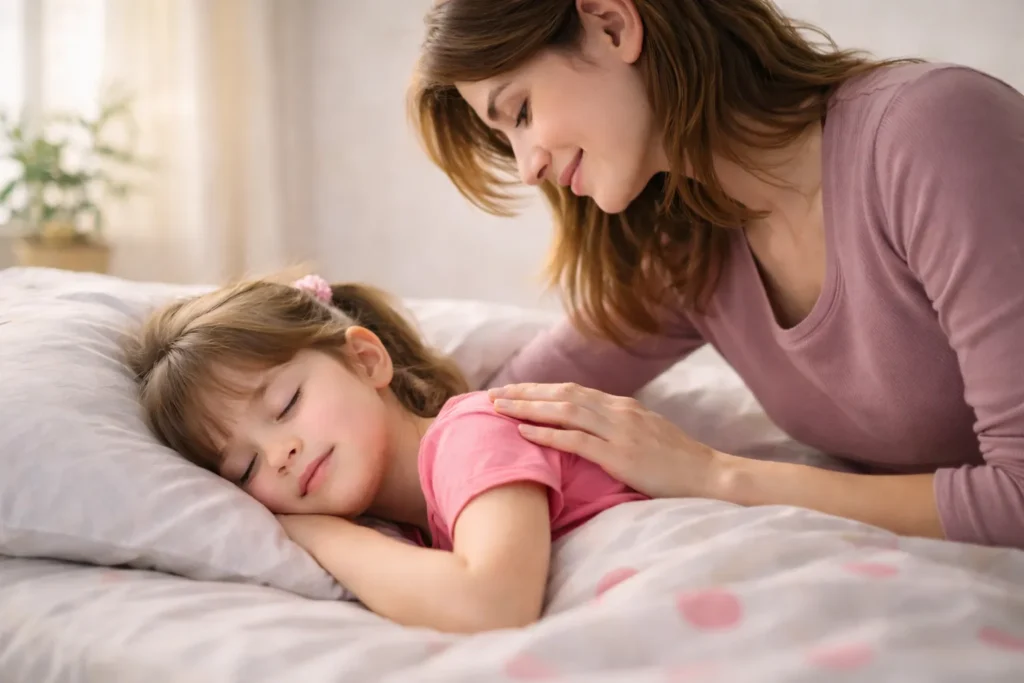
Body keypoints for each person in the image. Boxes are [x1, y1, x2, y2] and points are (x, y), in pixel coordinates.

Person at [410, 0, 1024, 549]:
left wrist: (715, 475)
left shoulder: (932, 132)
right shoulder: (693, 252)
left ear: (611, 25)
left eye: (520, 112)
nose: (527, 169)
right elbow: (510, 401)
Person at [124, 274, 647, 633]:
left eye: (286, 404)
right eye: (246, 468)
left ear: (365, 359)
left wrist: (319, 534)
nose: (279, 454)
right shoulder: (410, 533)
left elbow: (493, 605)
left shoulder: (473, 432)